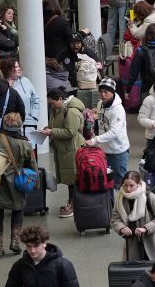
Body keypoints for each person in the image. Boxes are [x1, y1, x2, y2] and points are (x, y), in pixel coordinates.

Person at [0, 111, 36, 258]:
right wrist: (35, 183)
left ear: (3, 124)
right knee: (18, 210)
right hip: (16, 184)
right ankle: (15, 242)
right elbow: (32, 166)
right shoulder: (24, 143)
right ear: (19, 126)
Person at [110, 170, 155, 262]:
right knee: (134, 269)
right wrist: (121, 228)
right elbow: (115, 219)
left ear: (138, 184)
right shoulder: (121, 198)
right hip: (133, 243)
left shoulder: (149, 197)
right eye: (125, 185)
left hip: (154, 241)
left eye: (131, 185)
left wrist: (146, 228)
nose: (128, 189)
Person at [42, 87, 85, 219]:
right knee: (70, 179)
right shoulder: (58, 110)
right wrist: (49, 128)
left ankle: (73, 204)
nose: (51, 105)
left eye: (52, 103)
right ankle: (72, 202)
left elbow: (71, 132)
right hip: (64, 150)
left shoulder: (71, 112)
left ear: (60, 99)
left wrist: (52, 132)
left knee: (73, 179)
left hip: (72, 149)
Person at [4, 225, 80, 287]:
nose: (32, 250)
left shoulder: (63, 265)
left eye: (36, 246)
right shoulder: (19, 266)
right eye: (29, 246)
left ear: (45, 244)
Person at [88, 77, 131, 180]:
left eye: (106, 92)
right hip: (104, 150)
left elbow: (114, 132)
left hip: (118, 152)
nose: (103, 94)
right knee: (107, 180)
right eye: (101, 92)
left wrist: (94, 140)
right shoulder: (100, 104)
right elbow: (101, 122)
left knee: (119, 181)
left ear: (113, 92)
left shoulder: (118, 110)